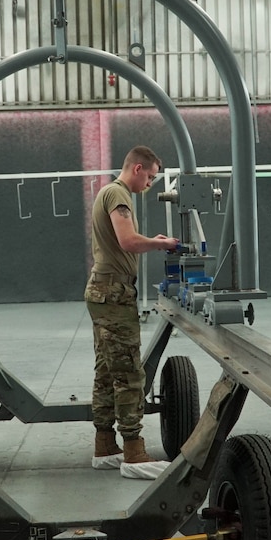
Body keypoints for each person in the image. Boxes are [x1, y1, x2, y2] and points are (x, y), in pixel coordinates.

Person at [86, 146, 179, 480]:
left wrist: (150, 240)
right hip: (114, 292)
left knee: (107, 371)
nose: (151, 183)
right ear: (137, 168)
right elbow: (126, 241)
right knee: (128, 373)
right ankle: (134, 452)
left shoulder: (110, 193)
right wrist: (162, 244)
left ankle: (105, 445)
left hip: (104, 289)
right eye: (151, 176)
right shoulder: (118, 195)